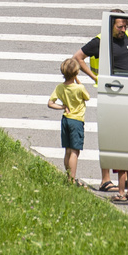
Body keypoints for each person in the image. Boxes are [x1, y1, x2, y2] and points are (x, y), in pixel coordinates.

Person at [73, 10, 128, 193]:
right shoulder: (100, 40)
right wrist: (96, 77)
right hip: (113, 93)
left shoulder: (127, 37)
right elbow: (77, 58)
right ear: (110, 25)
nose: (123, 30)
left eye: (126, 26)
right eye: (120, 26)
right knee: (111, 136)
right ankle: (106, 180)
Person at [47, 58, 91, 186]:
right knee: (75, 151)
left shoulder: (60, 87)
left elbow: (50, 103)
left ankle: (67, 176)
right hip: (76, 121)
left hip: (65, 119)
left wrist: (62, 106)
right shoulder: (79, 88)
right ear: (76, 73)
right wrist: (78, 80)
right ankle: (71, 180)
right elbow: (87, 97)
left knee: (67, 150)